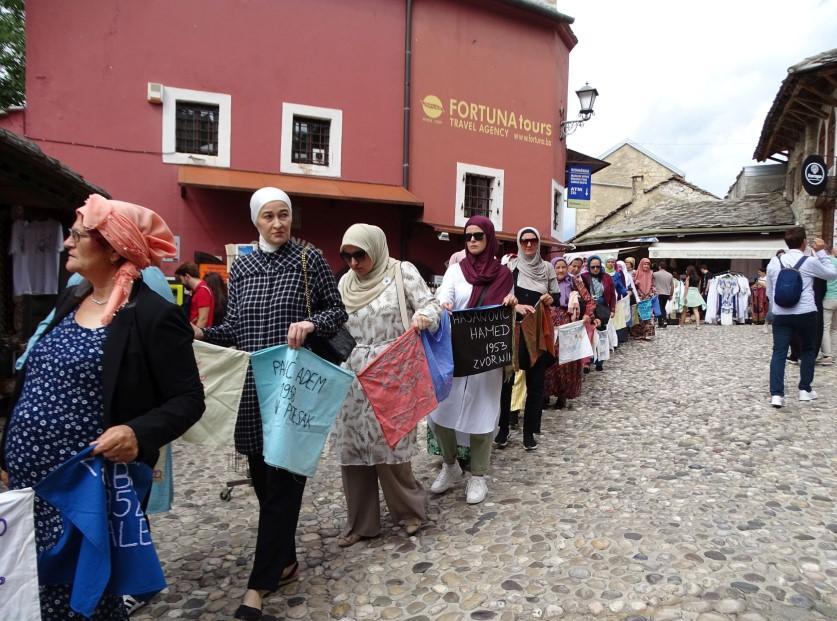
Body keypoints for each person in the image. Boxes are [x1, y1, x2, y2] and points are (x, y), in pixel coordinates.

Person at [0, 194, 205, 621]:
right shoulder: (72, 298)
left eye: (78, 235)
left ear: (113, 247)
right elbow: (36, 381)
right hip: (29, 483)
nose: (67, 243)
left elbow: (188, 399)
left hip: (84, 486)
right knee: (31, 588)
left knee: (82, 596)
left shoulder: (151, 315)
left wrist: (137, 432)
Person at [196, 187, 348, 620]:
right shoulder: (241, 267)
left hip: (293, 388)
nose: (278, 223)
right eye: (269, 217)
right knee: (265, 486)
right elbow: (235, 327)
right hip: (253, 391)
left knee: (282, 487)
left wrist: (309, 322)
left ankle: (257, 588)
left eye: (284, 215)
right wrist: (204, 335)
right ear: (255, 221)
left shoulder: (308, 258)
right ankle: (285, 560)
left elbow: (337, 311)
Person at [333, 224, 442, 547]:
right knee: (353, 450)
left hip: (393, 368)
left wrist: (424, 317)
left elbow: (432, 304)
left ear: (375, 249)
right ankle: (361, 523)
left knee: (391, 447)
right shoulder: (345, 283)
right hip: (352, 375)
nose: (353, 262)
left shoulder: (400, 272)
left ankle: (410, 511)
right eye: (347, 255)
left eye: (360, 255)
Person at [428, 215, 515, 505]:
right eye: (468, 236)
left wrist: (510, 303)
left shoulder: (504, 274)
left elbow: (505, 306)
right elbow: (445, 295)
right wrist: (445, 304)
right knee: (439, 411)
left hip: (485, 356)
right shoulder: (456, 270)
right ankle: (450, 465)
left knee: (482, 413)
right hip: (454, 351)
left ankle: (478, 475)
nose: (473, 241)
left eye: (479, 235)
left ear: (489, 237)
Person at [495, 227, 558, 451]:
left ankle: (529, 432)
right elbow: (501, 296)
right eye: (524, 241)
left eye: (533, 241)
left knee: (536, 383)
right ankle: (502, 429)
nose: (529, 245)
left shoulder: (547, 268)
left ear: (538, 243)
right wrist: (517, 305)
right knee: (506, 382)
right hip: (514, 329)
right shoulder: (510, 267)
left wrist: (551, 299)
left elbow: (556, 295)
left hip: (539, 329)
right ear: (519, 243)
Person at [766, 227, 837, 407]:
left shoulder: (775, 261)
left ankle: (776, 394)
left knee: (779, 352)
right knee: (807, 350)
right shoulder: (809, 261)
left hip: (781, 313)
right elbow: (831, 273)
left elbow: (770, 291)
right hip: (806, 312)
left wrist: (775, 310)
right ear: (804, 242)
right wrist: (821, 252)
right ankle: (805, 390)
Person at [544, 257, 596, 409]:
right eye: (557, 267)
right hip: (547, 325)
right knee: (547, 360)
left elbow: (590, 301)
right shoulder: (545, 282)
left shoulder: (573, 282)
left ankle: (562, 396)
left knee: (566, 363)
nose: (560, 270)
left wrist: (587, 315)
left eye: (563, 267)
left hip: (568, 326)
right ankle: (544, 395)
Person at [580, 255, 615, 371]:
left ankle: (600, 360)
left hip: (602, 309)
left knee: (601, 335)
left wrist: (613, 309)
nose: (595, 269)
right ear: (588, 267)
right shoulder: (584, 277)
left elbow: (612, 295)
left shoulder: (606, 277)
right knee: (588, 335)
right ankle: (586, 362)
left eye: (598, 267)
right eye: (593, 267)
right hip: (588, 309)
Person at [174, 262, 215, 328]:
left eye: (181, 279)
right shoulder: (198, 290)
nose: (182, 283)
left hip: (199, 335)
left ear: (187, 276)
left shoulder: (202, 291)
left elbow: (203, 319)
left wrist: (195, 336)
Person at [821, 246, 837, 365]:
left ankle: (828, 355)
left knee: (825, 327)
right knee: (834, 328)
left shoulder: (824, 263)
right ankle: (834, 353)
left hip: (828, 298)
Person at [634, 258, 657, 340]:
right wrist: (636, 285)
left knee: (649, 316)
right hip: (639, 298)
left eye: (648, 264)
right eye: (644, 264)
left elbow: (653, 285)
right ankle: (640, 334)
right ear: (641, 264)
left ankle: (648, 334)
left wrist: (653, 291)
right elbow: (633, 286)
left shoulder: (651, 273)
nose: (646, 266)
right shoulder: (637, 273)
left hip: (648, 297)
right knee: (640, 316)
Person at [652, 262, 674, 328]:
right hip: (666, 293)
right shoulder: (670, 275)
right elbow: (672, 286)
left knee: (659, 307)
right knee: (662, 307)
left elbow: (652, 283)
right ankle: (663, 321)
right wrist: (671, 295)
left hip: (658, 293)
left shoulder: (655, 274)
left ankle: (661, 322)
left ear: (659, 267)